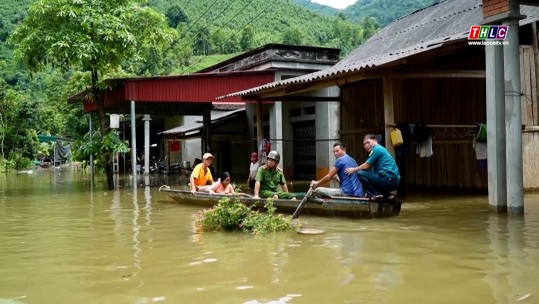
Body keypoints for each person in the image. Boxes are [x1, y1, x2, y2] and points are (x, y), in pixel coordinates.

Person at [345, 134, 400, 199]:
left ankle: (375, 194)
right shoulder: (379, 149)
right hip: (391, 181)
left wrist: (353, 169)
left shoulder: (377, 149)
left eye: (368, 142)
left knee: (359, 173)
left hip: (389, 180)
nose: (366, 145)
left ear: (375, 140)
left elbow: (366, 166)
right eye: (364, 144)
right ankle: (387, 195)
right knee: (368, 176)